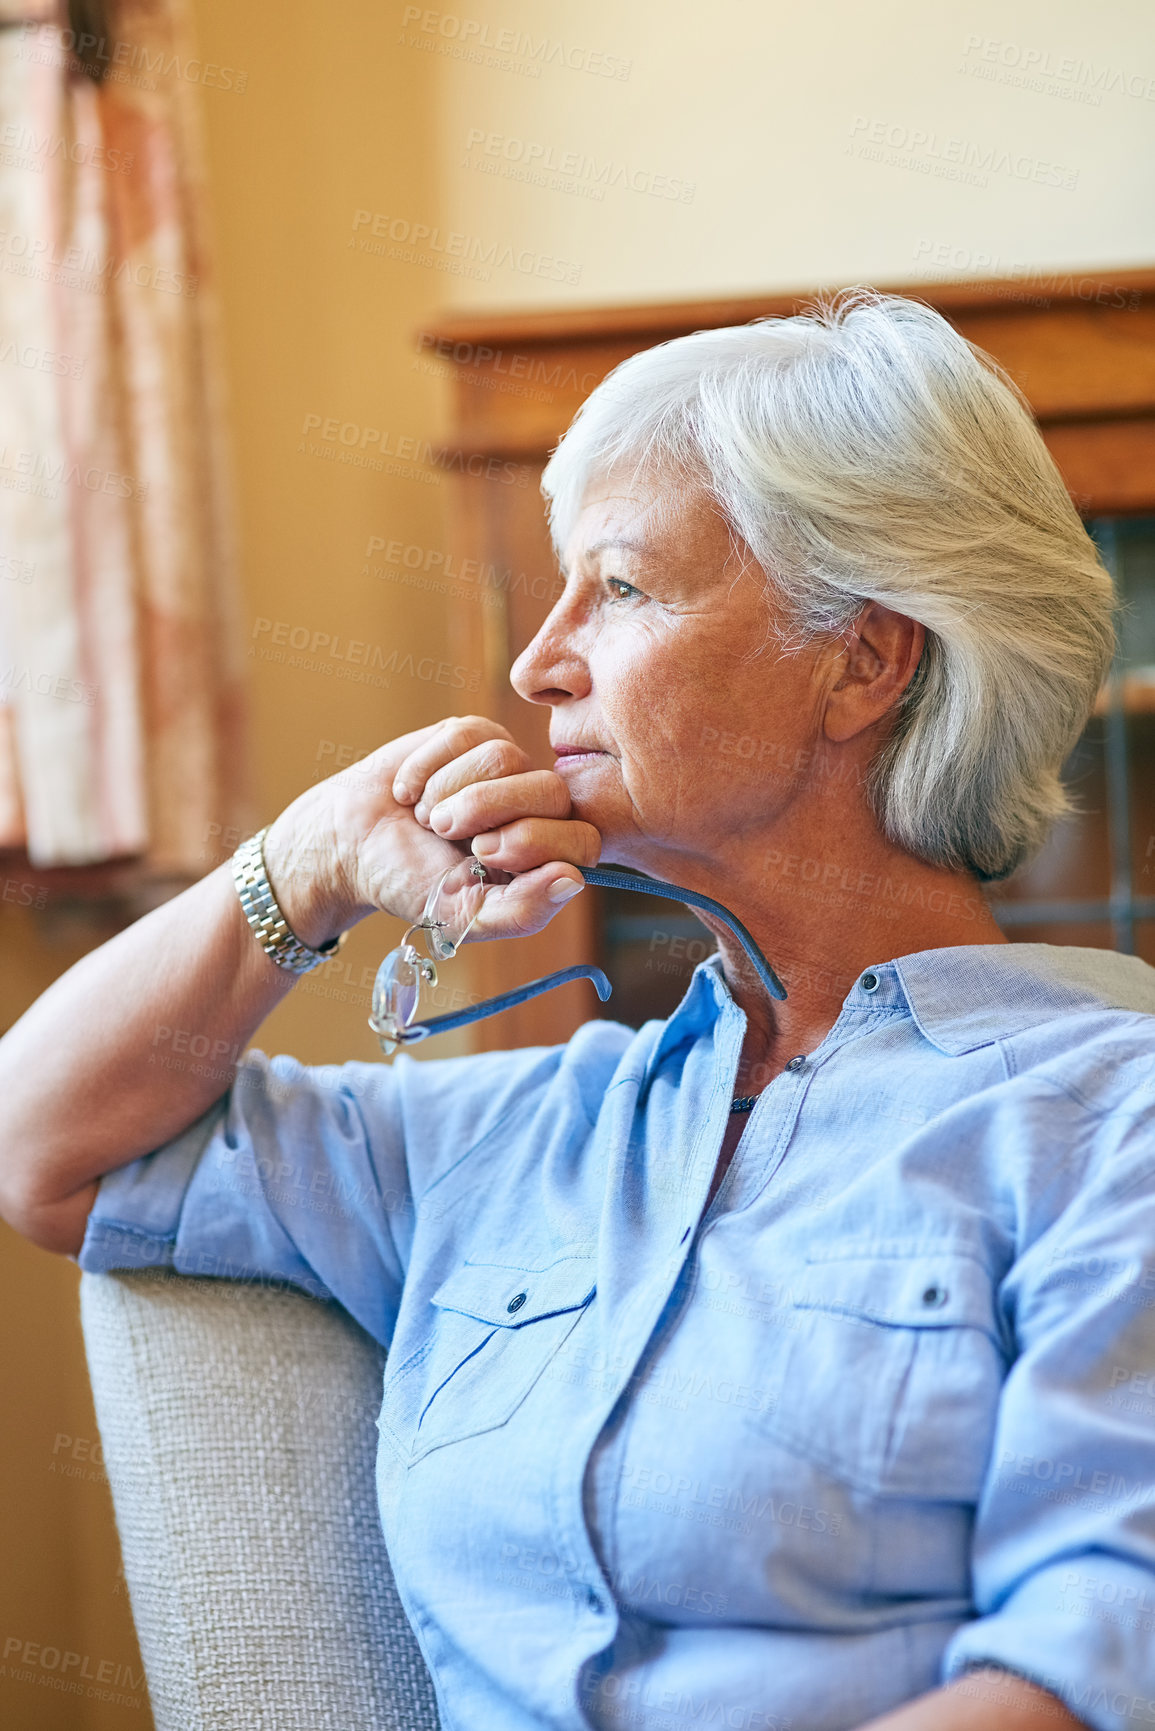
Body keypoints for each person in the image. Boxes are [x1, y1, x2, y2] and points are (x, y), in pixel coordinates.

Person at [1, 290, 1152, 1731]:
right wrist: (307, 860)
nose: (537, 662)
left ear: (863, 661)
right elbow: (43, 1148)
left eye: (619, 588)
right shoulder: (526, 1130)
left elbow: (1096, 1668)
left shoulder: (1113, 1125)